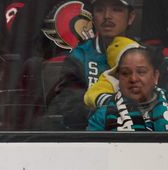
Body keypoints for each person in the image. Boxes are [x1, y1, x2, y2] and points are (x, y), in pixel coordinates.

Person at [47, 0, 136, 129]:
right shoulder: (79, 56)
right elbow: (71, 110)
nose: (107, 16)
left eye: (116, 9)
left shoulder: (148, 56)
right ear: (93, 17)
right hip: (91, 137)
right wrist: (108, 115)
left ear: (131, 17)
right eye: (100, 9)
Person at [87, 46, 168, 131]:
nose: (133, 79)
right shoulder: (102, 116)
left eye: (141, 72)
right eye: (125, 73)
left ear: (155, 76)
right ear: (118, 78)